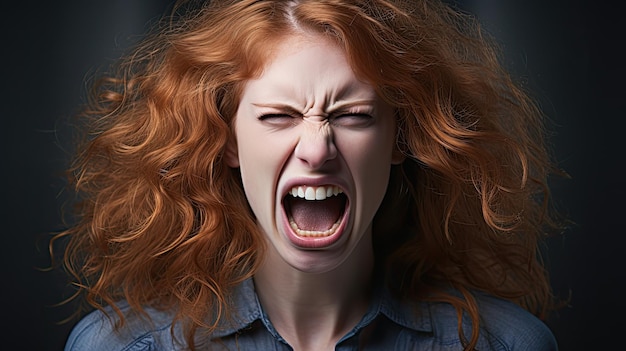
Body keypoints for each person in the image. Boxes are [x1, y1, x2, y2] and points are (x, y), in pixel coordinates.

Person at [54, 0, 566, 350]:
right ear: (228, 140)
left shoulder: (505, 343)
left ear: (400, 139)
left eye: (354, 116)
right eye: (278, 116)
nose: (317, 150)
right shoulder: (121, 346)